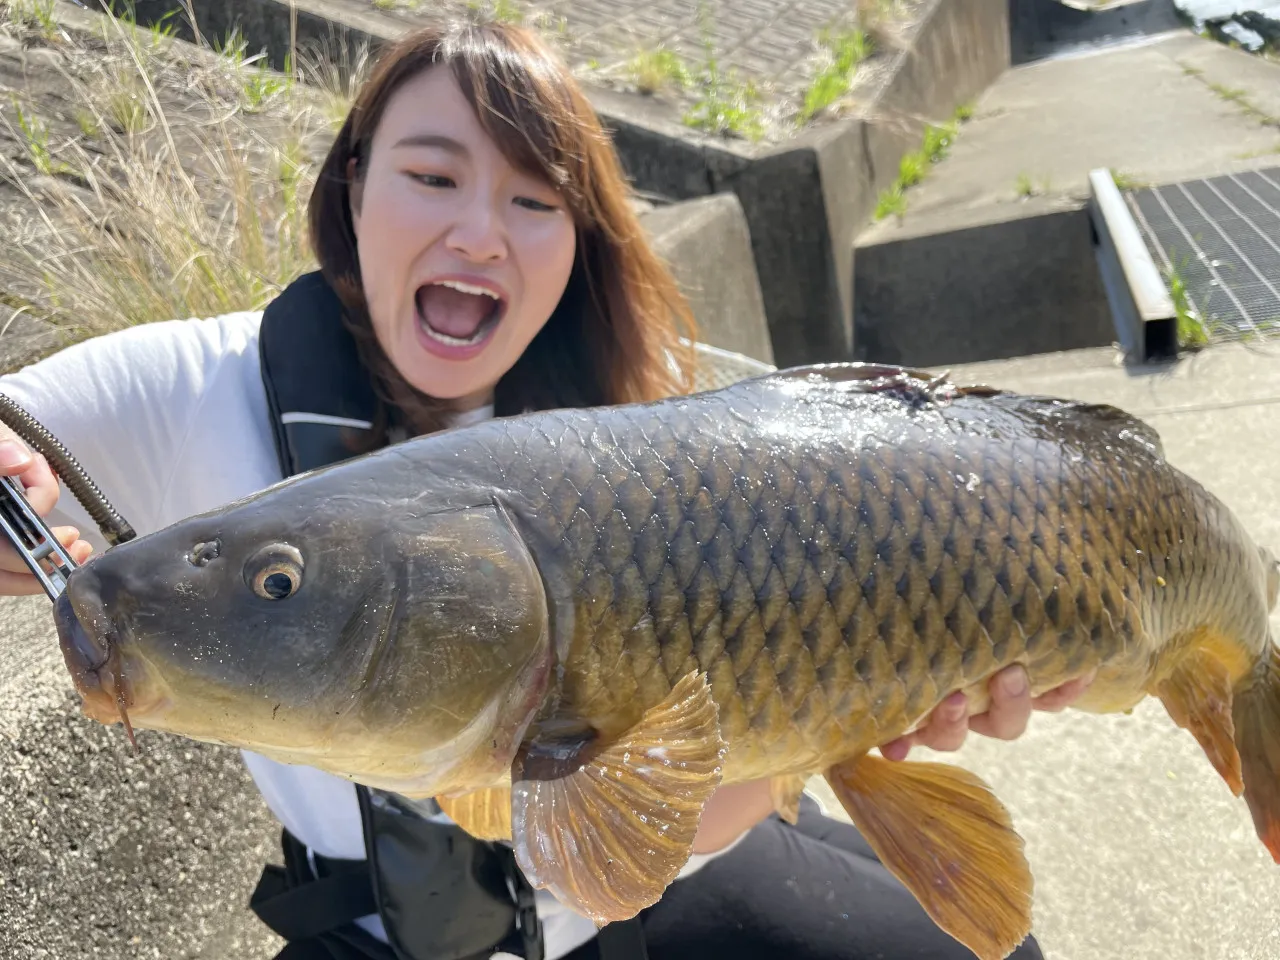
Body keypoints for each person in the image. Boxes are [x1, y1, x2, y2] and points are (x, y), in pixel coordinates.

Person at [0, 17, 1094, 960]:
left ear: (580, 243)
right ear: (353, 184)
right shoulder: (183, 383)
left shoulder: (644, 421)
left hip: (637, 886)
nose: (477, 235)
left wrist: (849, 703)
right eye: (431, 176)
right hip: (379, 929)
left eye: (534, 201)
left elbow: (682, 833)